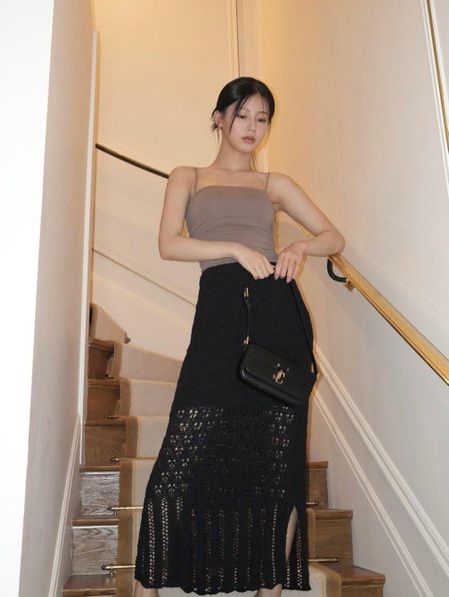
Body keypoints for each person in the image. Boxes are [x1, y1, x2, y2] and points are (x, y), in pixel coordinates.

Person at [133, 77, 345, 597]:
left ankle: (269, 588)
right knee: (183, 449)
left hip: (276, 313)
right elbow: (168, 244)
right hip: (220, 314)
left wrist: (297, 247)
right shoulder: (187, 176)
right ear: (219, 117)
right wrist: (233, 247)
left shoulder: (274, 183)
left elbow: (333, 236)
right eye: (242, 114)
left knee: (279, 458)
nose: (252, 127)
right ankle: (150, 583)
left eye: (262, 118)